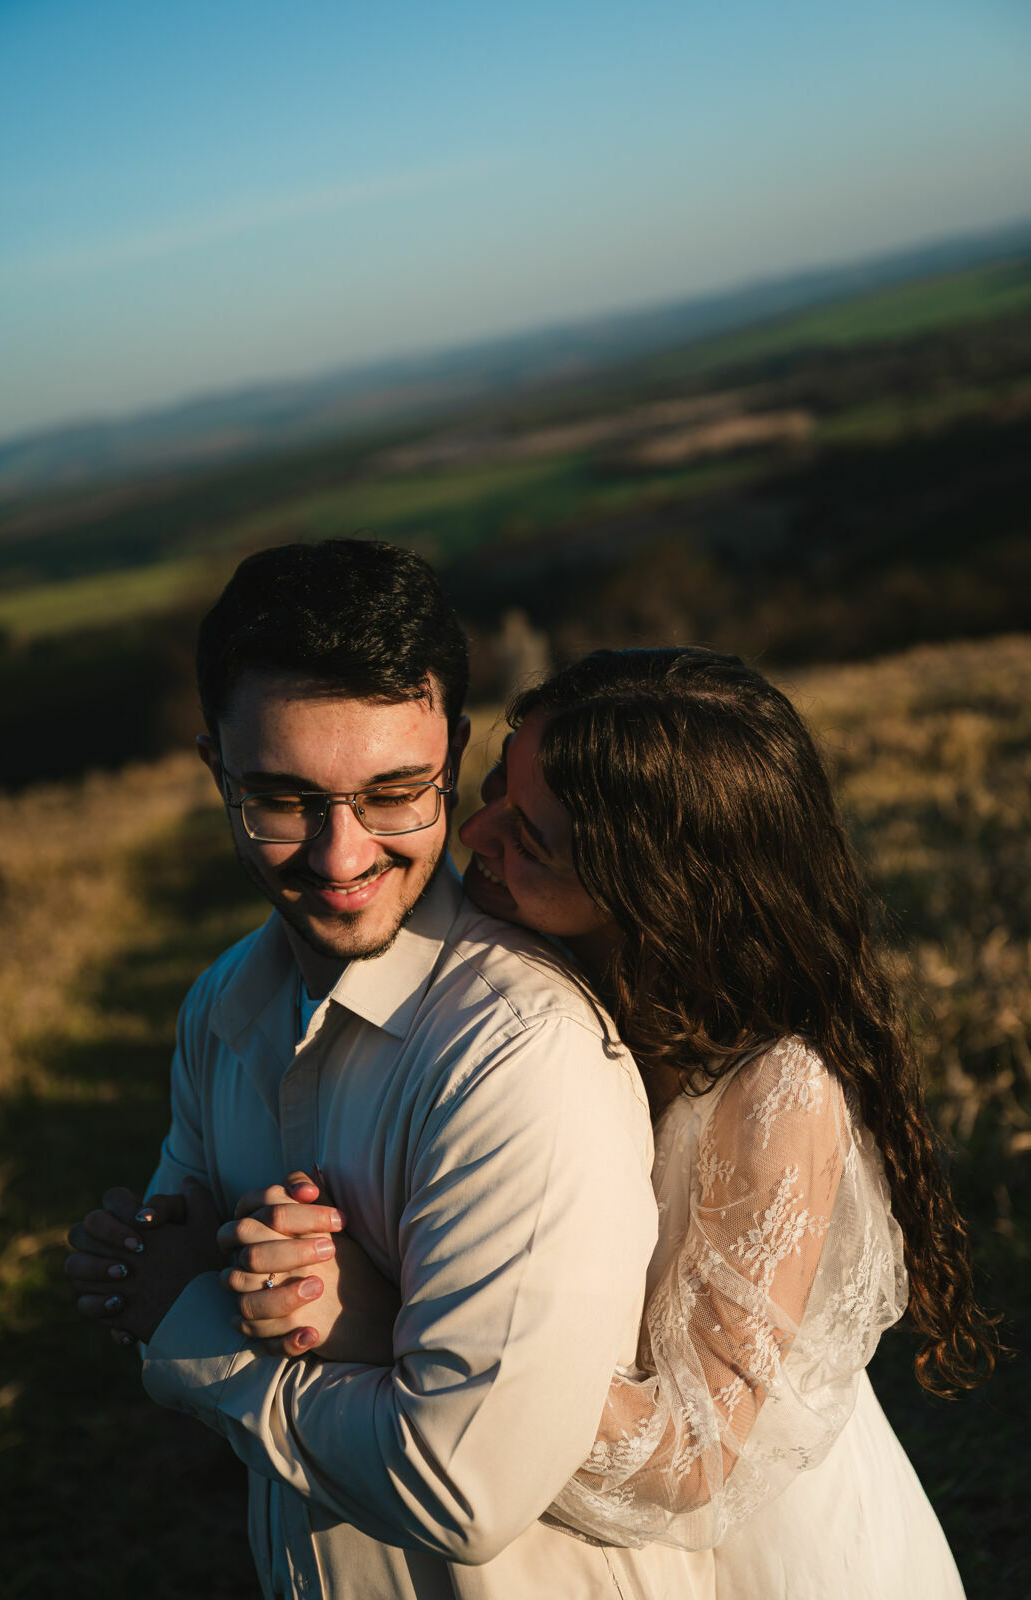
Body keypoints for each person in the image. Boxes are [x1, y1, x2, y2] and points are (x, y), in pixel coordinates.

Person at [223, 646, 998, 1599]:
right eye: (497, 789)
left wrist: (404, 1324)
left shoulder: (775, 1089)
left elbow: (693, 1459)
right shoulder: (532, 983)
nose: (478, 831)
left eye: (530, 838)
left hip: (769, 1560)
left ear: (650, 883)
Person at [64, 543, 715, 1600]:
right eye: (281, 800)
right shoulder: (219, 1007)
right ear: (215, 768)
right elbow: (170, 1246)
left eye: (395, 793)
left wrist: (191, 1325)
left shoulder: (520, 1054)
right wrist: (177, 1277)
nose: (341, 856)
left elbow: (464, 1489)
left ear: (455, 753)